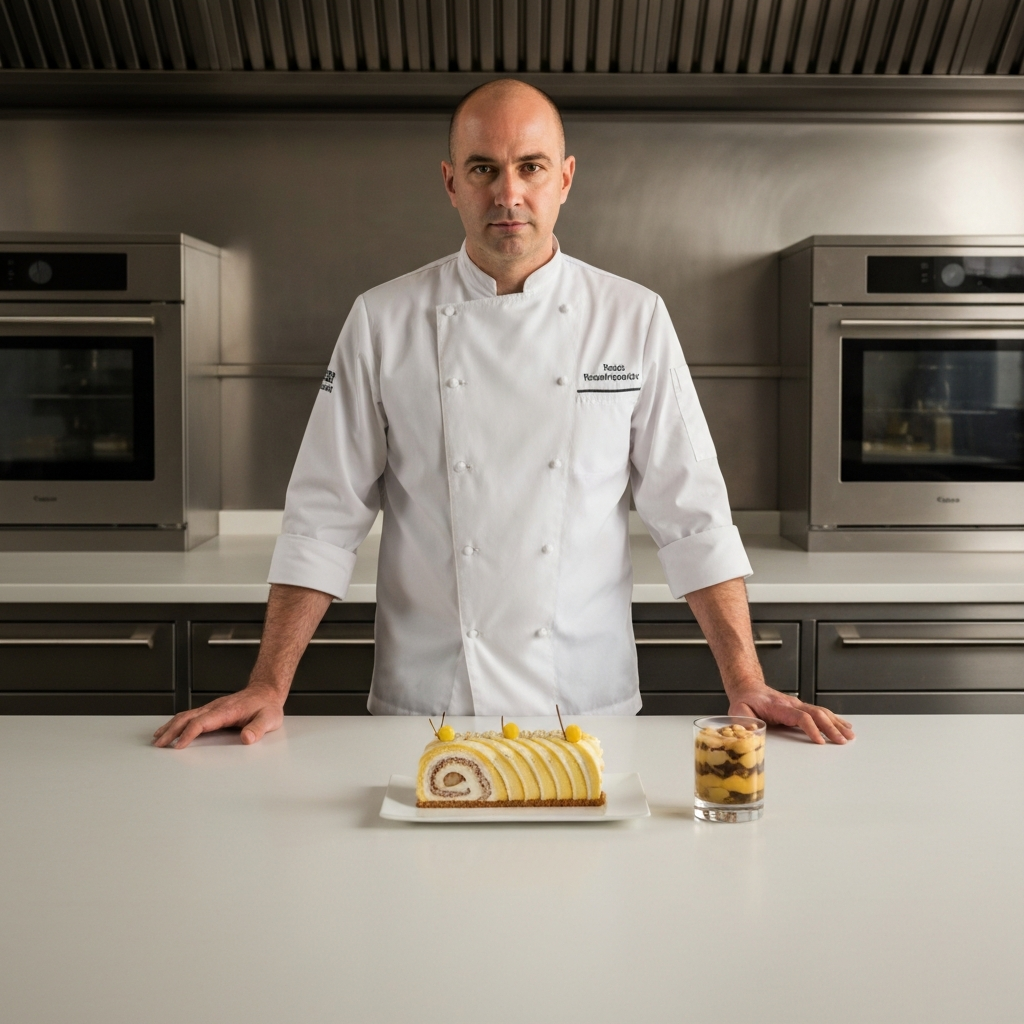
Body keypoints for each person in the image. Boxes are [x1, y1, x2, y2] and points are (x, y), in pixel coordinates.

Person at [155, 79, 854, 751]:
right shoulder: (383, 320)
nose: (508, 193)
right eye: (483, 168)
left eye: (530, 166)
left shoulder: (632, 318)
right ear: (451, 181)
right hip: (430, 709)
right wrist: (268, 685)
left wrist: (747, 681)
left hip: (584, 707)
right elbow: (322, 517)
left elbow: (692, 515)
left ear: (566, 178)